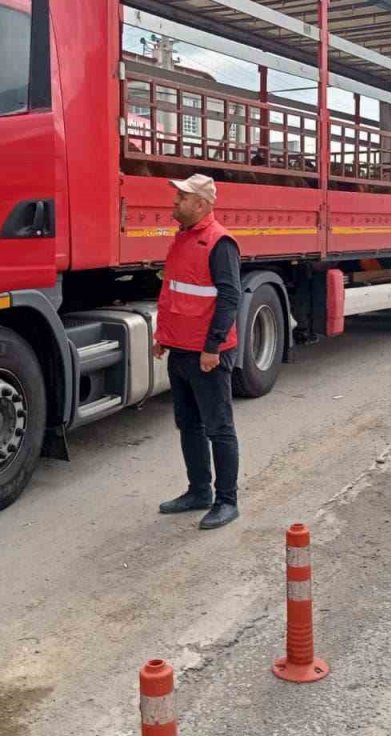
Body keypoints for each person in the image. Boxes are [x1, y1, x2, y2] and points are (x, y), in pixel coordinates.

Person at [153, 173, 243, 530]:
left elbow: (230, 297)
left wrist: (212, 347)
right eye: (177, 196)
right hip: (180, 349)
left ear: (202, 204)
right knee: (188, 424)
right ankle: (199, 491)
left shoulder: (220, 242)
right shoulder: (183, 238)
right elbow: (173, 292)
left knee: (218, 428)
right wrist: (163, 335)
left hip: (207, 354)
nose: (175, 202)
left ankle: (227, 501)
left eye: (183, 198)